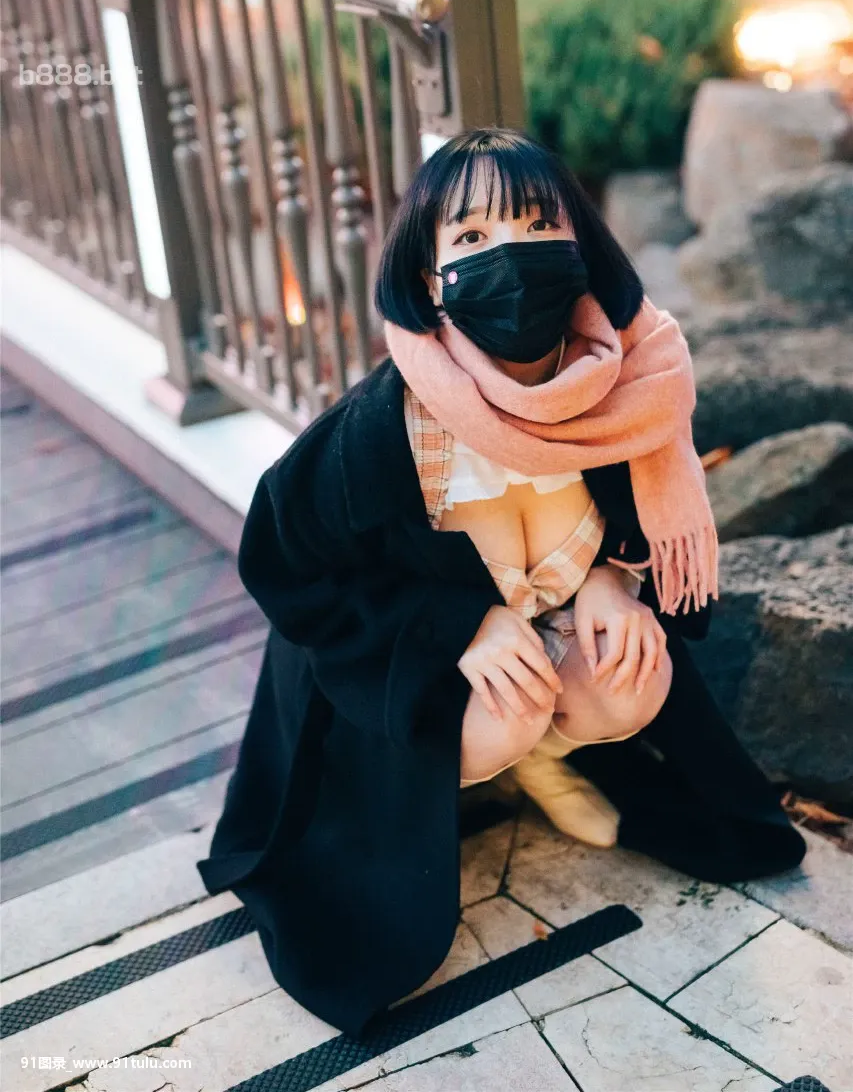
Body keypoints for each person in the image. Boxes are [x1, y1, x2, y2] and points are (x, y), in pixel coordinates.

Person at [197, 128, 805, 1037]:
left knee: (632, 678)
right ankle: (479, 770)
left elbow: (637, 522)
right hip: (407, 661)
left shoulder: (631, 382)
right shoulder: (383, 430)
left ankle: (544, 767)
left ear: (580, 244)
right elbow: (281, 561)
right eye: (472, 238)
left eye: (534, 225)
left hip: (540, 624)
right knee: (509, 710)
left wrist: (612, 582)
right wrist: (457, 626)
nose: (509, 257)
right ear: (429, 276)